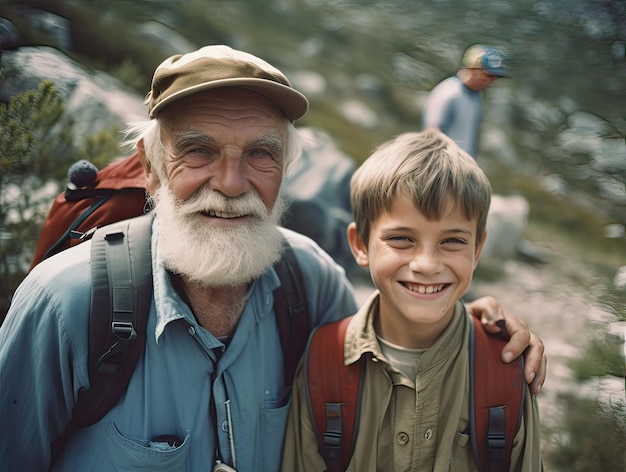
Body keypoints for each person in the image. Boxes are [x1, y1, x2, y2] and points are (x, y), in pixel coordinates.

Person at [0, 45, 544, 472]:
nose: (232, 184)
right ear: (150, 165)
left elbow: (389, 351)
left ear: (286, 167)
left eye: (260, 153)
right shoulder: (67, 304)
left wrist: (475, 327)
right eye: (198, 150)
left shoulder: (311, 285)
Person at [282, 129, 542, 471]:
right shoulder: (322, 358)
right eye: (402, 239)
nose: (427, 264)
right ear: (360, 245)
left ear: (478, 250)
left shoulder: (505, 366)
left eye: (452, 242)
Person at [422, 44, 508, 158]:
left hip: (463, 166)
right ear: (472, 69)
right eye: (487, 75)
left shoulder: (477, 95)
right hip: (444, 165)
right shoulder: (448, 92)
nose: (491, 80)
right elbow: (431, 133)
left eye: (495, 77)